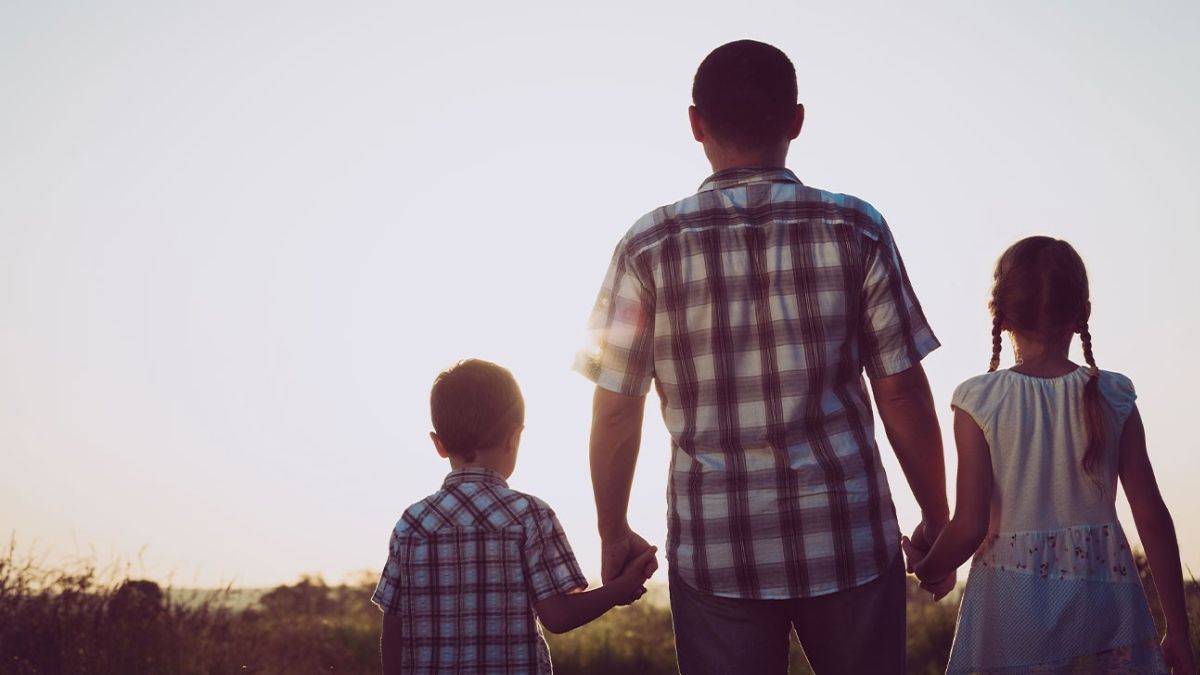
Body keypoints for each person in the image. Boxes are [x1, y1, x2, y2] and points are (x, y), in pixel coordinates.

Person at [576, 39, 948, 674]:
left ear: (695, 123)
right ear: (796, 121)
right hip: (849, 536)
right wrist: (936, 513)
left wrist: (613, 529)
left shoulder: (649, 244)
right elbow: (902, 391)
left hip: (718, 550)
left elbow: (615, 410)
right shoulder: (855, 226)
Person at [903, 236, 1197, 674]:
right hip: (1105, 609)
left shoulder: (979, 401)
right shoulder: (1114, 395)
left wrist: (929, 567)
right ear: (1083, 312)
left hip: (1010, 613)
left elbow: (969, 527)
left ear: (999, 315)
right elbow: (1151, 515)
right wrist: (1179, 630)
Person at [372, 358, 657, 675]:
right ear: (513, 437)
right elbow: (559, 617)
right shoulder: (530, 516)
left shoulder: (411, 525)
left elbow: (393, 625)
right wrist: (622, 586)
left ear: (438, 443)